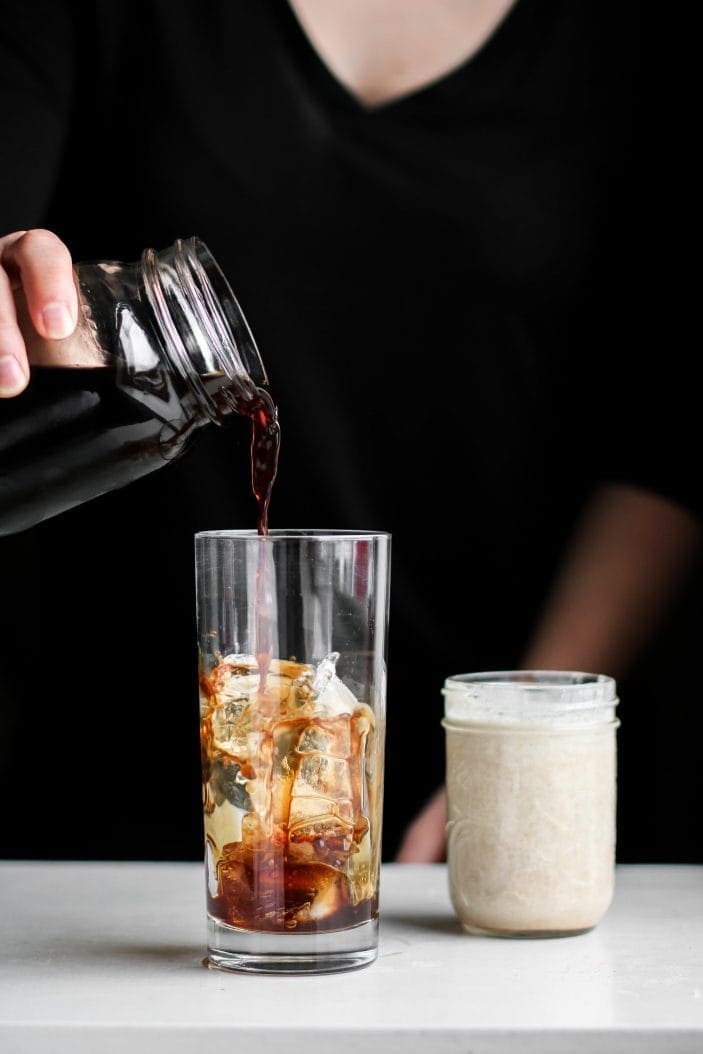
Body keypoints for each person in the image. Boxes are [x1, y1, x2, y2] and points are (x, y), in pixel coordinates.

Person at [1, 1, 700, 864]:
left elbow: (667, 430)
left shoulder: (639, 41)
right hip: (113, 768)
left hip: (490, 747)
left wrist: (522, 735)